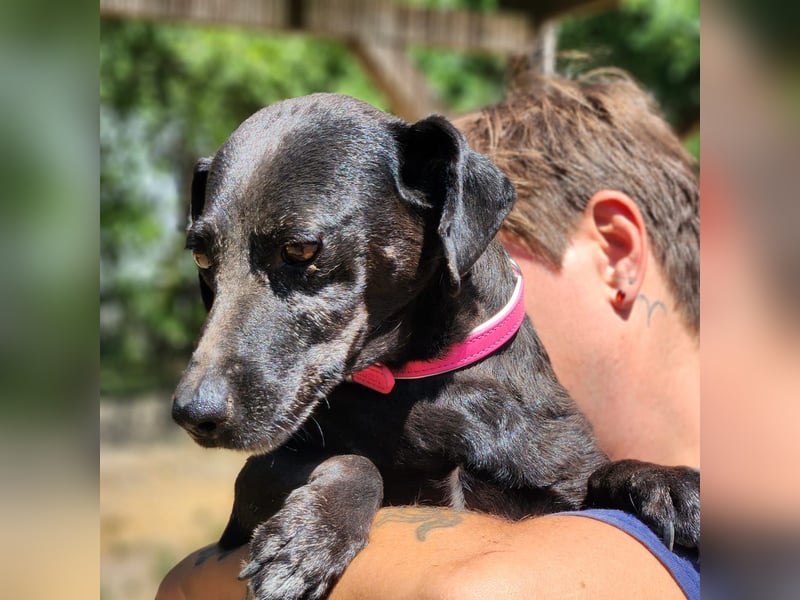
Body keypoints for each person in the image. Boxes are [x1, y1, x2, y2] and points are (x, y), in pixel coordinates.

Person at [157, 70, 699, 599]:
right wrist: (346, 482)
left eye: (301, 253)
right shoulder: (339, 402)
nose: (197, 396)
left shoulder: (540, 418)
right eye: (208, 260)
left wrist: (623, 485)